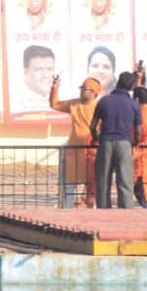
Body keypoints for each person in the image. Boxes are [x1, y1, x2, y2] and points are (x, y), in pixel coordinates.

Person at [90, 72, 142, 209]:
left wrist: (96, 138)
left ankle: (104, 210)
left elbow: (93, 125)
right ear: (131, 86)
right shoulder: (133, 104)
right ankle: (126, 212)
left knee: (103, 179)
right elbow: (138, 130)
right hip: (124, 143)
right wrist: (135, 142)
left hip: (105, 141)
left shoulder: (104, 100)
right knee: (125, 180)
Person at [49, 74, 101, 206]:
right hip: (73, 150)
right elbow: (54, 104)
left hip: (91, 152)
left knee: (92, 186)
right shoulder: (74, 103)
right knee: (69, 183)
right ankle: (67, 211)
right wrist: (55, 88)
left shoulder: (100, 107)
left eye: (85, 88)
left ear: (94, 92)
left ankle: (95, 214)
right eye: (81, 87)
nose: (81, 90)